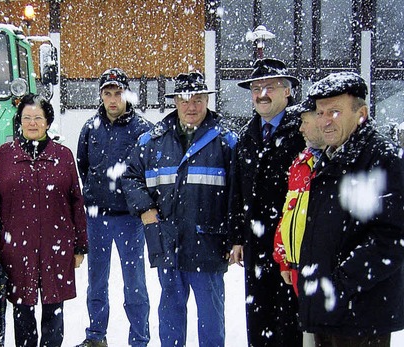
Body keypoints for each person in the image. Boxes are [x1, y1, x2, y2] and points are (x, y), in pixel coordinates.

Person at [123, 72, 237, 347]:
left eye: (198, 99)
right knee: (171, 313)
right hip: (168, 241)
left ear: (207, 100)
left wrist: (235, 236)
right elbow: (130, 177)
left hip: (209, 243)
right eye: (185, 99)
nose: (192, 106)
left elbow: (238, 193)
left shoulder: (226, 141)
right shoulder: (151, 142)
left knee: (210, 316)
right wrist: (145, 209)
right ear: (175, 101)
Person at [298, 71, 404, 346]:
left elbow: (392, 238)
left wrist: (340, 283)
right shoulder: (331, 157)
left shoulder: (381, 158)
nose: (325, 121)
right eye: (320, 113)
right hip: (330, 311)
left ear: (362, 114)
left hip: (361, 315)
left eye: (334, 111)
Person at [0, 94, 88, 347]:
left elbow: (76, 202)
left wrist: (80, 246)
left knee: (54, 310)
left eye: (38, 118)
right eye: (27, 118)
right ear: (19, 122)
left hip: (55, 246)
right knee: (23, 311)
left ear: (48, 122)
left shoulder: (63, 156)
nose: (32, 123)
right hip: (17, 247)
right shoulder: (4, 156)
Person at [228, 58, 305, 347]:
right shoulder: (247, 135)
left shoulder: (302, 131)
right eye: (256, 88)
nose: (261, 94)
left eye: (269, 87)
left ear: (287, 92)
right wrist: (237, 236)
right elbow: (237, 191)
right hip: (255, 243)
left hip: (291, 242)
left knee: (289, 319)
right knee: (258, 316)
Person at [75, 68, 151, 347]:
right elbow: (83, 165)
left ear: (126, 94)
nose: (113, 99)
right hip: (96, 217)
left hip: (129, 218)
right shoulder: (90, 127)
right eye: (107, 93)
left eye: (118, 93)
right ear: (101, 96)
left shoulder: (142, 130)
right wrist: (96, 195)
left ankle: (140, 338)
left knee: (135, 283)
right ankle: (96, 336)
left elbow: (148, 172)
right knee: (96, 280)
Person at [272, 97, 326, 296]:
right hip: (297, 268)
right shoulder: (301, 163)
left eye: (305, 122)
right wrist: (283, 258)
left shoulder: (338, 164)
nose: (301, 129)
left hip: (325, 271)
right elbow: (288, 214)